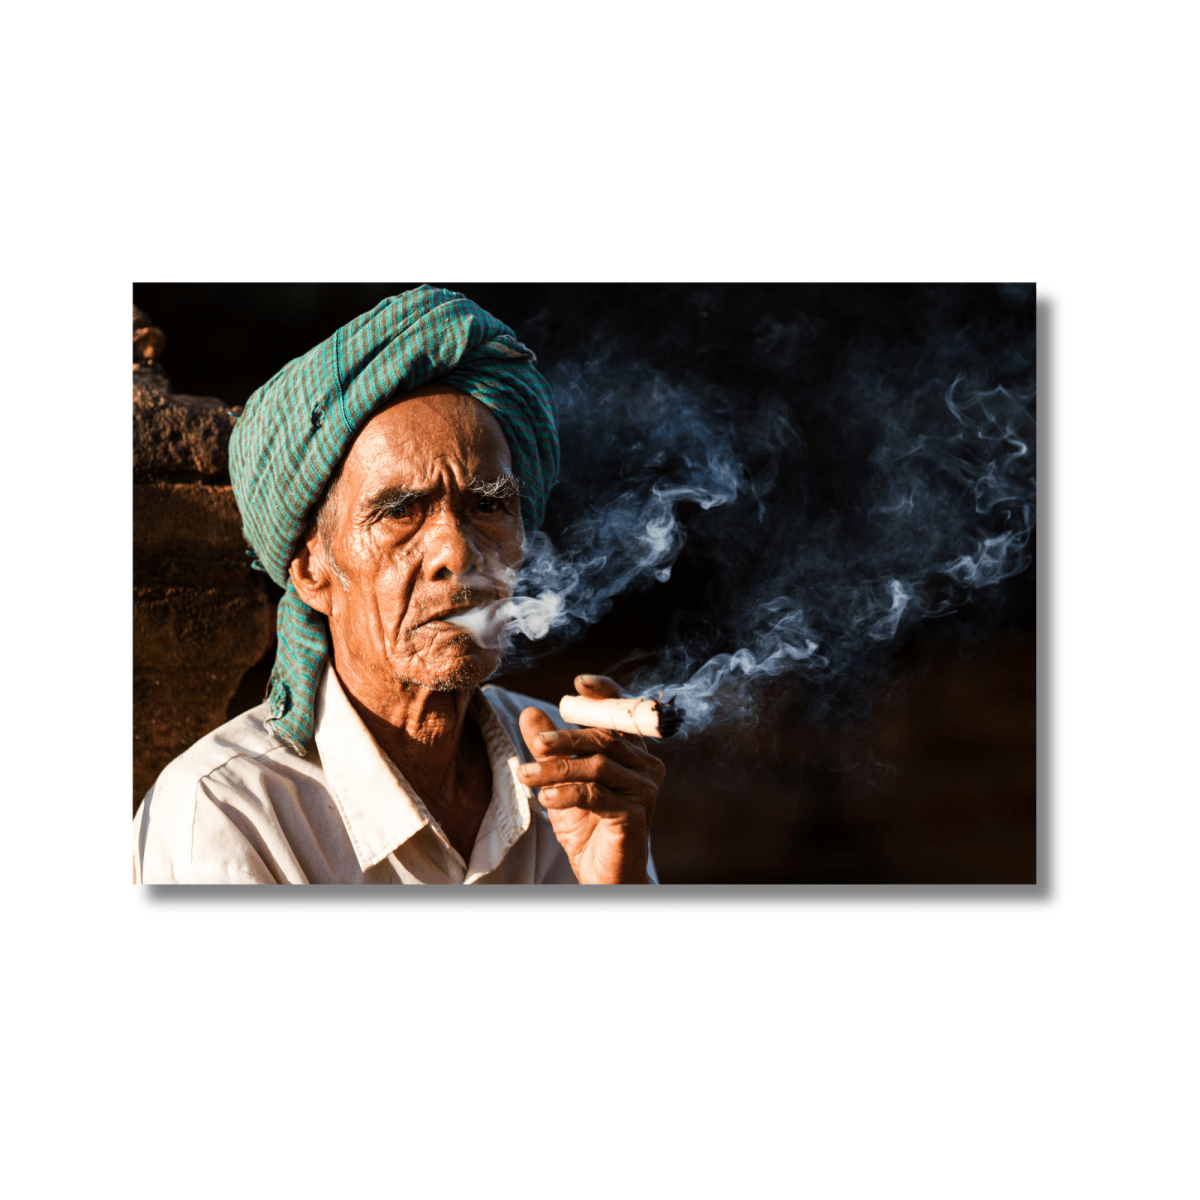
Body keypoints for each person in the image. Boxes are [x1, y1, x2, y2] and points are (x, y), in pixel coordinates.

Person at [133, 286, 663, 884]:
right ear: (312, 570)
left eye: (489, 505)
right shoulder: (229, 811)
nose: (458, 551)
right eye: (400, 512)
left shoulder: (572, 776)